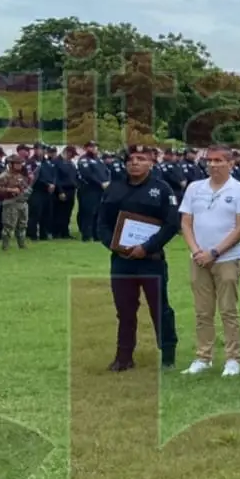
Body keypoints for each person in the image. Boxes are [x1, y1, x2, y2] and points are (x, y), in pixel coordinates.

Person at [98, 145, 180, 372]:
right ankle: (123, 357)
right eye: (131, 159)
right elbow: (103, 223)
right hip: (122, 260)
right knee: (124, 309)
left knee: (160, 308)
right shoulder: (114, 188)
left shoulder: (162, 189)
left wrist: (147, 247)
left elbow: (171, 223)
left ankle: (168, 356)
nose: (134, 162)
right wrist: (115, 246)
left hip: (150, 259)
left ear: (151, 163)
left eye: (141, 159)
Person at [177, 145, 240, 377]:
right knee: (203, 311)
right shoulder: (194, 188)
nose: (213, 164)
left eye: (219, 160)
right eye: (209, 160)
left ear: (231, 164)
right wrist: (197, 251)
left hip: (227, 258)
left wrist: (215, 252)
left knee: (228, 310)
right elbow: (186, 223)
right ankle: (203, 356)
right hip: (199, 259)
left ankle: (233, 358)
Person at [0, 155, 32, 250]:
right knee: (9, 225)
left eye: (20, 164)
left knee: (22, 225)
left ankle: (21, 244)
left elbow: (24, 186)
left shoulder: (20, 176)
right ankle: (5, 246)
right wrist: (10, 189)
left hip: (22, 203)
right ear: (10, 164)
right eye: (17, 164)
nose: (19, 166)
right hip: (11, 203)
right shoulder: (4, 176)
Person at [77, 141, 109, 242]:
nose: (94, 149)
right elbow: (87, 175)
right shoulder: (84, 160)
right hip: (89, 190)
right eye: (91, 147)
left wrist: (107, 181)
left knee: (98, 213)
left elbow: (106, 172)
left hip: (100, 191)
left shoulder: (99, 160)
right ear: (86, 148)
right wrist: (100, 183)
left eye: (95, 147)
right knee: (88, 212)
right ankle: (86, 235)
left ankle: (96, 235)